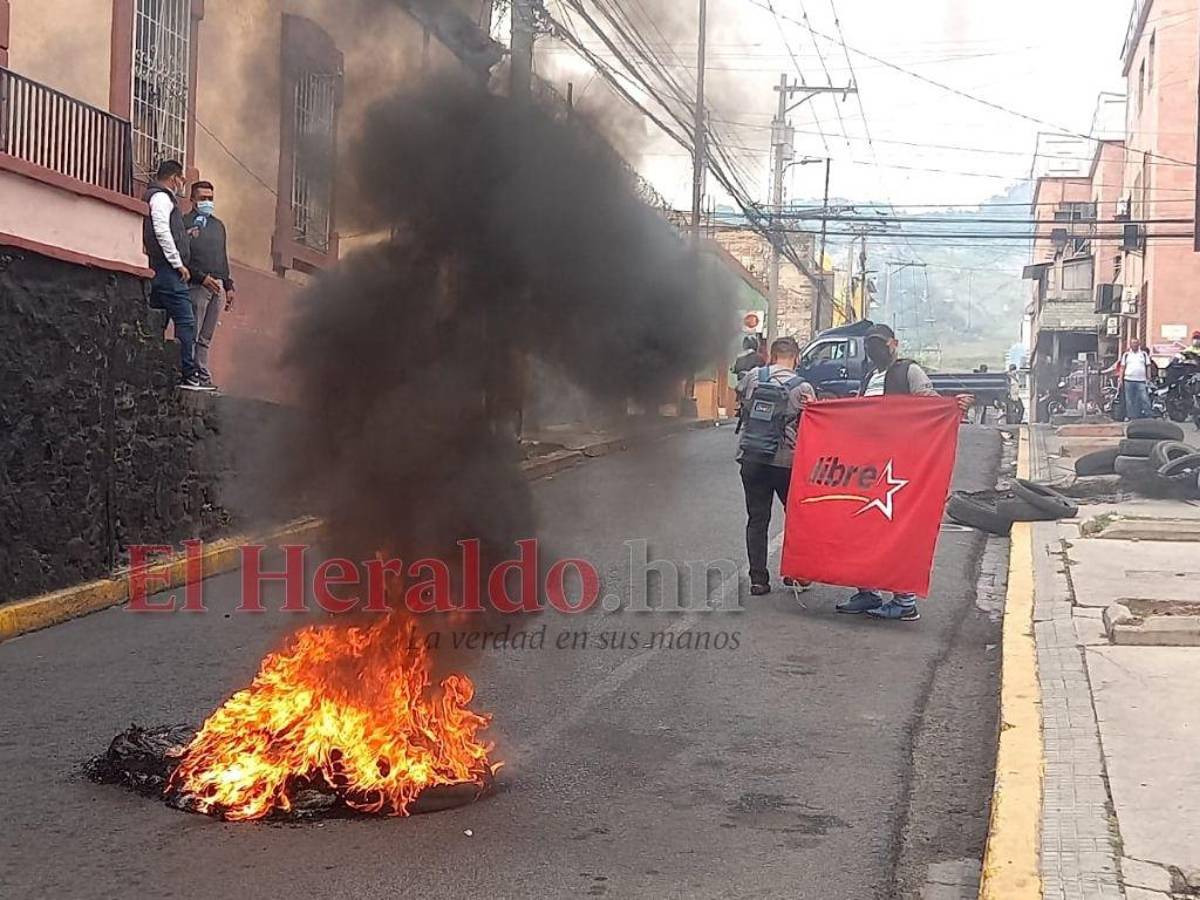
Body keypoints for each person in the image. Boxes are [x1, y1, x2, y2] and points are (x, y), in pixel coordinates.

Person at [836, 323, 972, 622]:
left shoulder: (909, 372)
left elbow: (929, 406)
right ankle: (867, 591)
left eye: (879, 343)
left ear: (893, 344)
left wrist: (952, 406)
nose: (874, 349)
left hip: (900, 466)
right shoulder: (870, 376)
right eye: (869, 345)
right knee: (865, 527)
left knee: (898, 530)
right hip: (870, 466)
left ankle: (904, 600)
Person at [736, 336, 817, 596]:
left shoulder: (753, 377)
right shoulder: (803, 387)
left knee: (757, 519)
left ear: (771, 356)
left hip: (751, 457)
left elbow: (742, 401)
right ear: (796, 358)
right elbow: (811, 423)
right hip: (785, 462)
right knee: (796, 518)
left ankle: (758, 580)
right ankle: (796, 574)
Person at [144, 160, 209, 392]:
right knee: (186, 321)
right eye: (181, 179)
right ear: (174, 178)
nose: (182, 184)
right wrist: (178, 263)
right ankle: (189, 374)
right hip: (168, 271)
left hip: (160, 270)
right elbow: (161, 230)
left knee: (157, 321)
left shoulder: (159, 197)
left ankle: (155, 372)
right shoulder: (161, 198)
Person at [184, 180, 236, 389]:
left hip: (217, 288)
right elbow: (184, 257)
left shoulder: (217, 226)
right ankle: (189, 374)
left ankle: (203, 375)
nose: (207, 202)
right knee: (192, 332)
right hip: (197, 286)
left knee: (206, 336)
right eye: (203, 198)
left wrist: (229, 285)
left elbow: (222, 257)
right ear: (193, 200)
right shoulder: (185, 223)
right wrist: (202, 278)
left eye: (210, 199)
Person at [1116, 338, 1154, 421]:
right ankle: (1131, 416)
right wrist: (1120, 379)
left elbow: (1148, 366)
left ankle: (1149, 415)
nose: (1134, 345)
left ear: (1139, 344)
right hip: (1128, 380)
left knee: (1144, 398)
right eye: (1133, 343)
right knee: (1129, 399)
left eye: (1136, 343)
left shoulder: (1143, 354)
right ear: (1130, 345)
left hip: (1141, 380)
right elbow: (1122, 367)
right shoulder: (1126, 355)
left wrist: (1148, 378)